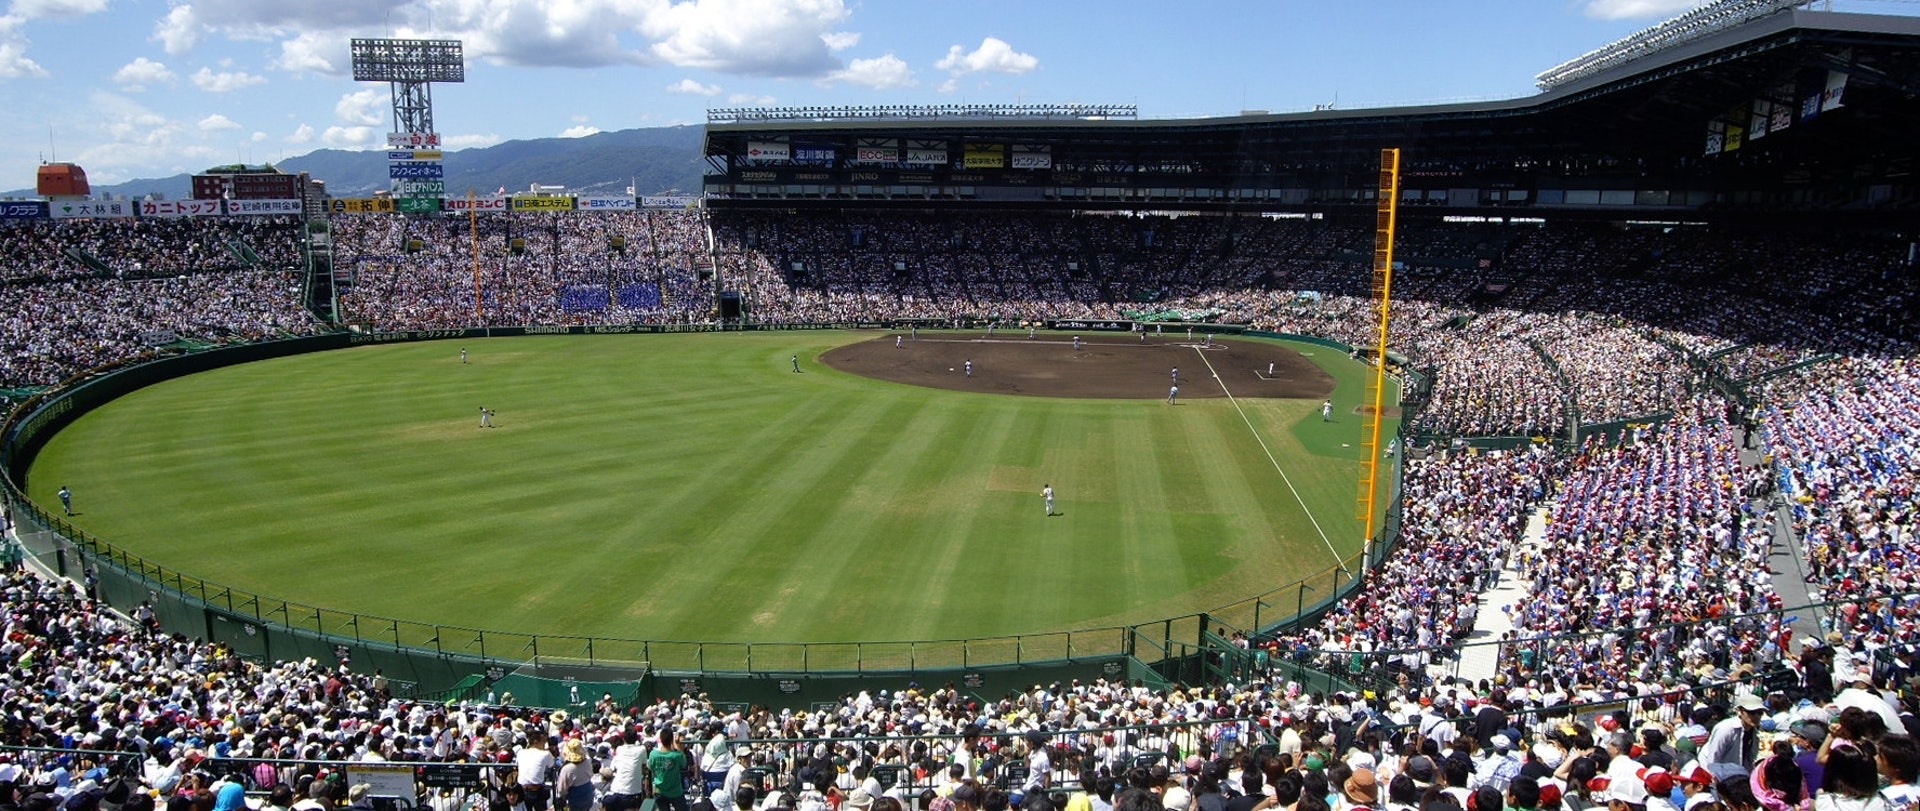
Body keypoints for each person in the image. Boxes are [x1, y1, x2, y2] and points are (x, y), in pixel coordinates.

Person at [651, 727, 691, 811]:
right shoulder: (676, 755)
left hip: (659, 791)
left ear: (661, 739)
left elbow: (651, 767)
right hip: (675, 792)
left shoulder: (653, 754)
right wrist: (679, 747)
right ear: (671, 740)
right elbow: (684, 764)